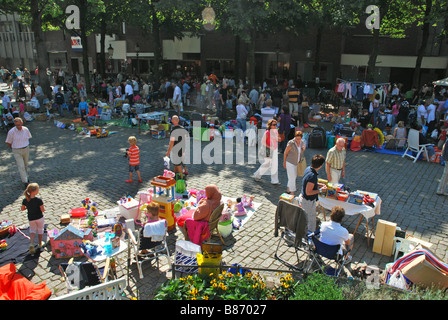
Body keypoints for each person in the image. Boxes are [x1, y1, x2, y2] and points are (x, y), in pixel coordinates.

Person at [298, 154, 327, 232]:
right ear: (320, 166)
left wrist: (319, 185)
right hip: (308, 202)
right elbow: (308, 192)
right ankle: (309, 236)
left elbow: (310, 184)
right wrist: (321, 190)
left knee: (306, 219)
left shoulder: (308, 169)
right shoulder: (312, 176)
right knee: (311, 221)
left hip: (304, 198)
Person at [5, 117, 32, 188]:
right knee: (21, 165)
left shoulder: (26, 129)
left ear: (22, 123)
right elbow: (8, 142)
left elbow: (29, 137)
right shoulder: (11, 132)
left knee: (25, 164)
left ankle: (26, 176)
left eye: (20, 125)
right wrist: (13, 148)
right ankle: (25, 181)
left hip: (25, 148)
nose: (19, 126)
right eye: (17, 125)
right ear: (15, 125)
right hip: (16, 150)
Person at [254, 119, 280, 185]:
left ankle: (275, 180)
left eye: (276, 124)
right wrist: (270, 147)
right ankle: (257, 175)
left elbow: (277, 139)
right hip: (268, 150)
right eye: (274, 125)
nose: (275, 126)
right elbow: (263, 142)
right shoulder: (267, 132)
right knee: (266, 165)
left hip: (275, 150)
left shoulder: (275, 131)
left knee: (275, 165)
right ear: (270, 125)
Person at [21, 183, 45, 254]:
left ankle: (31, 243)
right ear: (35, 191)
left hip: (31, 218)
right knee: (40, 229)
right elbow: (42, 210)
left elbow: (22, 209)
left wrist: (28, 207)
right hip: (39, 217)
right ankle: (40, 243)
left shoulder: (25, 200)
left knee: (32, 230)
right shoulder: (38, 200)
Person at [283, 130, 305, 196]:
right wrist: (284, 162)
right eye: (297, 138)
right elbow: (285, 153)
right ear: (295, 137)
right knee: (292, 178)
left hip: (297, 163)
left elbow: (301, 151)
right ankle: (292, 193)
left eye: (299, 139)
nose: (298, 140)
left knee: (292, 177)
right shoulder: (291, 143)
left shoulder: (302, 142)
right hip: (290, 162)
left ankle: (288, 190)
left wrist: (303, 149)